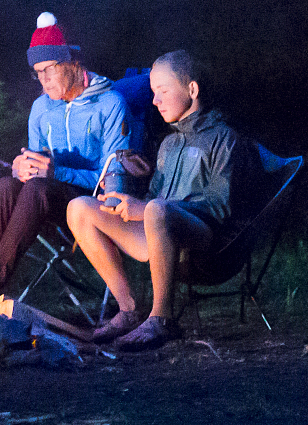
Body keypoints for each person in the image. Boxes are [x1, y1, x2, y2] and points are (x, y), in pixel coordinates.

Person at [64, 49, 259, 351]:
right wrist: (128, 202)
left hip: (208, 243)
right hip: (162, 232)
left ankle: (161, 319)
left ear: (192, 90)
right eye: (153, 92)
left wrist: (153, 209)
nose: (154, 101)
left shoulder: (225, 139)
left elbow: (220, 207)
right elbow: (154, 200)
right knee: (81, 208)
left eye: (163, 91)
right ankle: (129, 309)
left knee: (156, 210)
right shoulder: (168, 144)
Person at [0, 13, 143, 308]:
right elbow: (35, 169)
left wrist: (56, 172)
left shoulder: (109, 104)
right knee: (6, 185)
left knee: (38, 189)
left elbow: (114, 181)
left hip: (89, 204)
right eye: (37, 72)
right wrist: (21, 169)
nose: (43, 80)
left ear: (74, 64)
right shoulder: (41, 108)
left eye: (50, 69)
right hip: (45, 209)